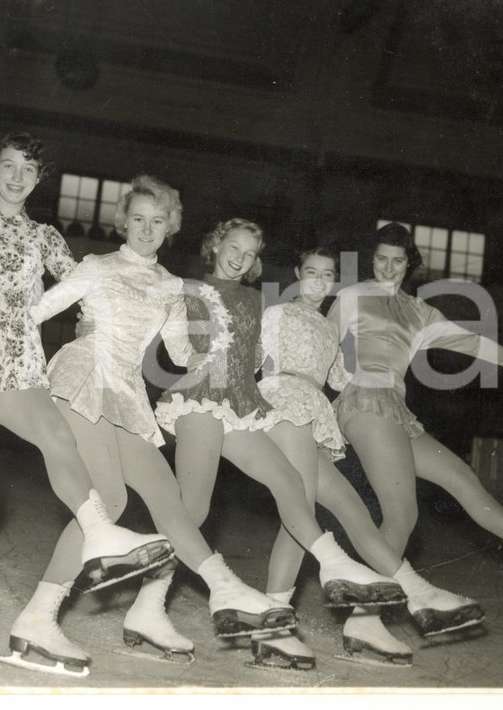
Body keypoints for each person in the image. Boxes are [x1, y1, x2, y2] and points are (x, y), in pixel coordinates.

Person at [0, 134, 173, 668]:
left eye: (29, 169)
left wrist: (134, 299)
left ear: (40, 178)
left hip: (18, 360)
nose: (17, 177)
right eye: (9, 166)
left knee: (59, 437)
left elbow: (91, 283)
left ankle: (99, 533)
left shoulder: (45, 237)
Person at [1, 176, 295, 677]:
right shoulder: (97, 266)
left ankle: (218, 590)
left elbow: (184, 353)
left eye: (158, 221)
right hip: (84, 374)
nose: (146, 229)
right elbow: (35, 312)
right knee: (110, 501)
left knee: (168, 497)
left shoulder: (170, 287)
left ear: (171, 228)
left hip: (127, 392)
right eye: (138, 218)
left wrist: (234, 346)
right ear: (124, 221)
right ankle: (38, 618)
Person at [152, 219, 407, 669]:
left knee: (295, 485)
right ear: (215, 245)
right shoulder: (197, 292)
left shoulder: (258, 301)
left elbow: (266, 362)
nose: (241, 258)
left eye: (250, 254)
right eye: (234, 247)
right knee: (195, 510)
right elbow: (180, 346)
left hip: (243, 405)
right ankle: (149, 608)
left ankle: (330, 579)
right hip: (213, 399)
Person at [325, 222, 503, 612]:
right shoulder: (353, 296)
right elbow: (321, 347)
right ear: (371, 260)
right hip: (362, 402)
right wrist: (328, 381)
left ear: (410, 265)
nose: (388, 268)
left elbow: (475, 343)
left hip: (395, 410)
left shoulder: (421, 312)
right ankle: (366, 617)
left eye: (397, 261)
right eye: (381, 259)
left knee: (461, 477)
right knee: (402, 511)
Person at [258, 247, 482, 669]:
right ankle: (414, 592)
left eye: (328, 275)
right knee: (302, 508)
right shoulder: (279, 315)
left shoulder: (331, 328)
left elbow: (344, 379)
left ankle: (280, 627)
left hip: (315, 418)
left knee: (345, 508)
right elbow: (256, 361)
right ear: (296, 273)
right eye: (311, 272)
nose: (320, 282)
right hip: (284, 407)